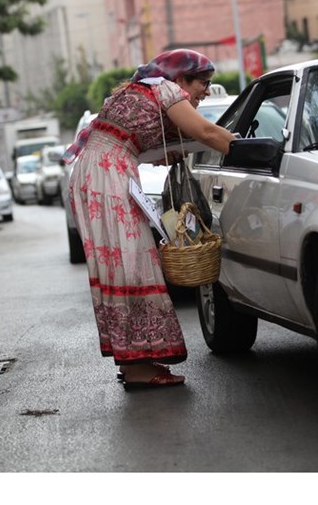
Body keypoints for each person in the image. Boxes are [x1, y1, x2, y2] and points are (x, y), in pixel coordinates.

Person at [63, 48, 237, 389]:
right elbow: (207, 133)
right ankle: (136, 365)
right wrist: (249, 149)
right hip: (106, 177)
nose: (205, 89)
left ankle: (135, 361)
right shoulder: (165, 90)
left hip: (100, 173)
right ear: (182, 78)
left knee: (125, 264)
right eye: (203, 82)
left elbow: (139, 141)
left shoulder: (144, 90)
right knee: (131, 264)